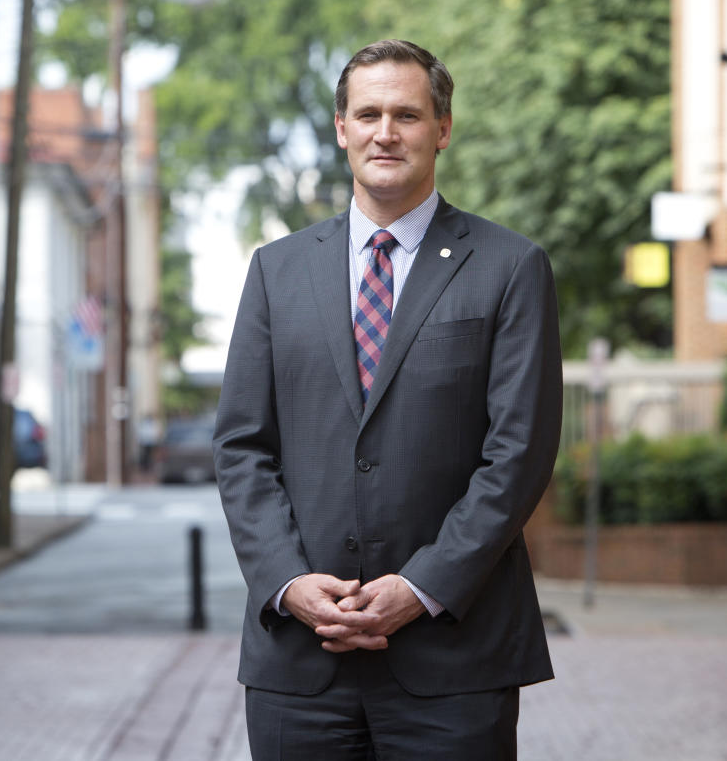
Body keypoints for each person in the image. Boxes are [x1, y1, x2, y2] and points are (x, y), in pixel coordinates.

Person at [213, 39, 563, 760]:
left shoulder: (509, 267)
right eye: (367, 113)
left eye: (406, 114)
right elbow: (242, 446)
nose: (385, 131)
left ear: (442, 127)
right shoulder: (276, 272)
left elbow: (518, 453)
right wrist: (284, 580)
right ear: (340, 127)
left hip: (452, 657)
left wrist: (421, 586)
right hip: (299, 660)